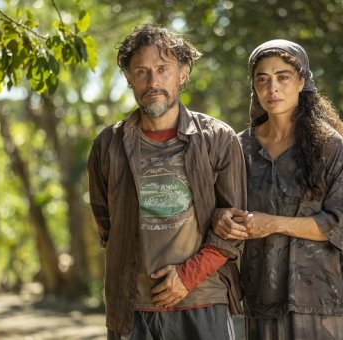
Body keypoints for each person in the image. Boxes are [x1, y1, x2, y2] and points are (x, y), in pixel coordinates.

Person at [87, 24, 247, 340]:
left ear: (183, 73)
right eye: (142, 72)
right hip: (132, 309)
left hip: (202, 303)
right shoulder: (107, 146)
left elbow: (236, 225)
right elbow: (107, 225)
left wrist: (188, 276)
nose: (153, 81)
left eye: (163, 69)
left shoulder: (217, 139)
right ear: (128, 79)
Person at [212, 39, 343, 339]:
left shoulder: (328, 145)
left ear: (301, 81)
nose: (273, 88)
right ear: (254, 87)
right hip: (261, 294)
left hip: (319, 298)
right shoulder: (239, 147)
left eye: (283, 76)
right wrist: (221, 216)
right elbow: (221, 205)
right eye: (263, 79)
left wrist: (273, 224)